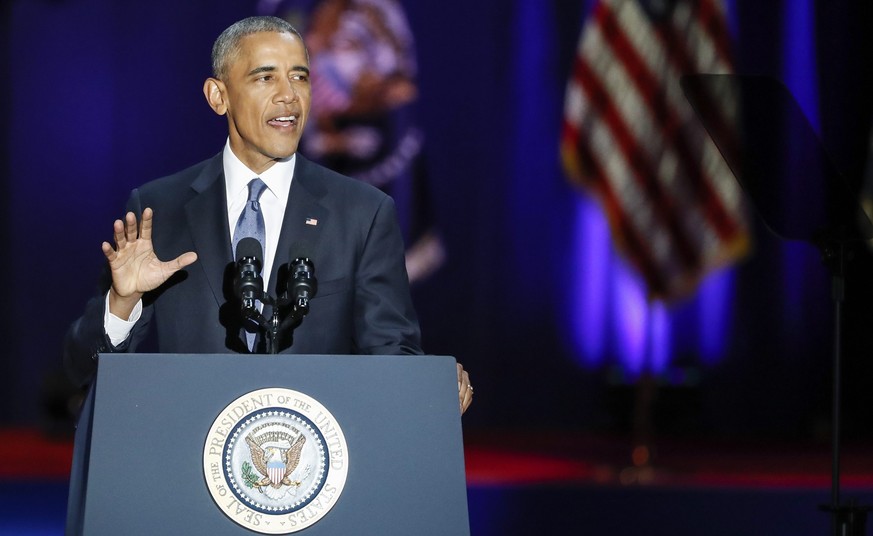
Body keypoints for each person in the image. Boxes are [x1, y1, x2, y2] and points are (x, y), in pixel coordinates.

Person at [63, 15, 472, 413]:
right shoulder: (159, 209)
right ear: (218, 96)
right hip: (190, 459)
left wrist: (430, 382)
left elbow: (390, 352)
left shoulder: (363, 212)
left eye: (300, 76)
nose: (289, 96)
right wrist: (123, 301)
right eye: (265, 77)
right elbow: (83, 370)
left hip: (317, 466)